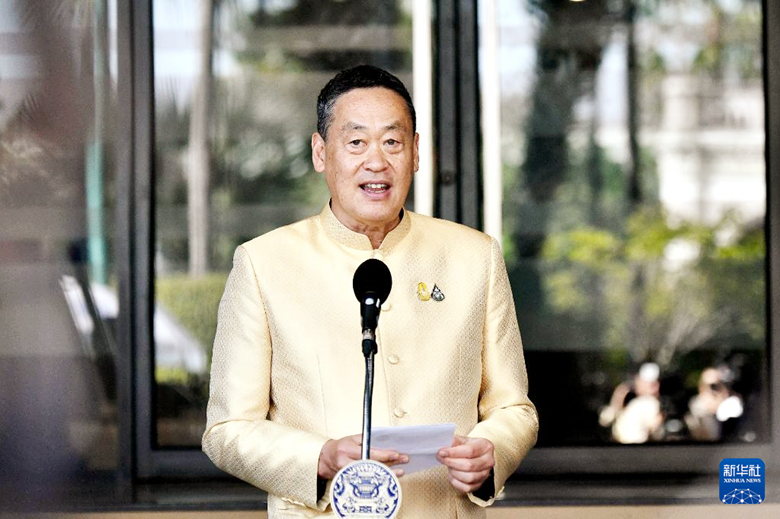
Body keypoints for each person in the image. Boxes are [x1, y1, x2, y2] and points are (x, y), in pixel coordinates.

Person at [202, 65, 538, 517]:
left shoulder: (475, 256)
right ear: (321, 152)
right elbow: (227, 429)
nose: (376, 162)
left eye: (392, 142)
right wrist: (320, 458)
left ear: (415, 153)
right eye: (356, 142)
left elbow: (514, 407)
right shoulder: (263, 264)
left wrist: (492, 451)